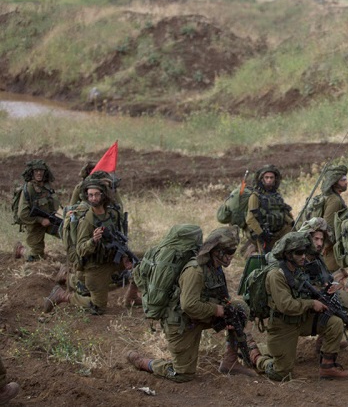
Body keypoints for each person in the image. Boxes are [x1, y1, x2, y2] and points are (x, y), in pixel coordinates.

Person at [127, 227, 256, 382]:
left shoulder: (215, 267)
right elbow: (189, 305)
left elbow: (221, 296)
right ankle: (142, 362)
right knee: (182, 374)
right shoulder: (196, 270)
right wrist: (217, 310)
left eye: (233, 250)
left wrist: (229, 315)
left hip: (200, 314)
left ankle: (230, 362)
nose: (232, 255)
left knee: (238, 308)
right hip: (180, 322)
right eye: (229, 251)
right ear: (216, 250)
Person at [247, 232, 348, 381]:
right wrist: (312, 304)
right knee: (281, 373)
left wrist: (324, 291)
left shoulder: (298, 270)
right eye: (298, 253)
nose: (303, 256)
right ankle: (256, 355)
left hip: (302, 319)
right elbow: (286, 305)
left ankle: (328, 368)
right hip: (283, 325)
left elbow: (306, 290)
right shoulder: (276, 275)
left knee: (335, 323)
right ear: (287, 254)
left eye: (304, 252)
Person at [43, 178, 133, 315]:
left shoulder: (111, 215)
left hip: (110, 261)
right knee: (98, 307)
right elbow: (81, 249)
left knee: (131, 274)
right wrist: (93, 240)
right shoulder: (87, 221)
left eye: (96, 194)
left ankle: (70, 277)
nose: (93, 198)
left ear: (103, 195)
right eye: (90, 195)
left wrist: (125, 257)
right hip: (94, 266)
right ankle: (63, 295)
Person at [16, 159, 60, 261]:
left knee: (66, 234)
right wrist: (40, 220)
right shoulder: (29, 189)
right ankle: (21, 250)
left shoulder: (47, 187)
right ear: (32, 172)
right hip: (35, 225)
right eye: (36, 171)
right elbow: (22, 214)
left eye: (41, 170)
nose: (39, 173)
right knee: (36, 256)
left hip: (50, 221)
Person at [246, 165, 294, 253]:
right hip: (265, 234)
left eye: (271, 177)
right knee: (266, 258)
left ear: (275, 179)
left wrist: (291, 222)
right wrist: (261, 234)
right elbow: (250, 219)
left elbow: (282, 212)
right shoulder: (255, 196)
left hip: (280, 232)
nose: (269, 180)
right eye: (266, 177)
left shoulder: (277, 196)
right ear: (262, 179)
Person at [315, 165, 348, 272]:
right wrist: (326, 245)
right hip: (329, 247)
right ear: (334, 183)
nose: (346, 182)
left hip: (328, 245)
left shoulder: (331, 197)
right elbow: (327, 225)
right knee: (333, 274)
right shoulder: (334, 200)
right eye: (343, 180)